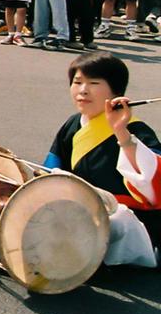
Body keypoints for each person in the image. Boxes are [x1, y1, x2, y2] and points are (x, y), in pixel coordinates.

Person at [43, 52, 160, 265]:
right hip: (79, 210)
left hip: (128, 219)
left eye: (93, 83)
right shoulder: (72, 124)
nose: (82, 91)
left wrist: (121, 133)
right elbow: (51, 167)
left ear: (116, 91)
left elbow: (154, 181)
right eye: (77, 82)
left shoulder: (135, 129)